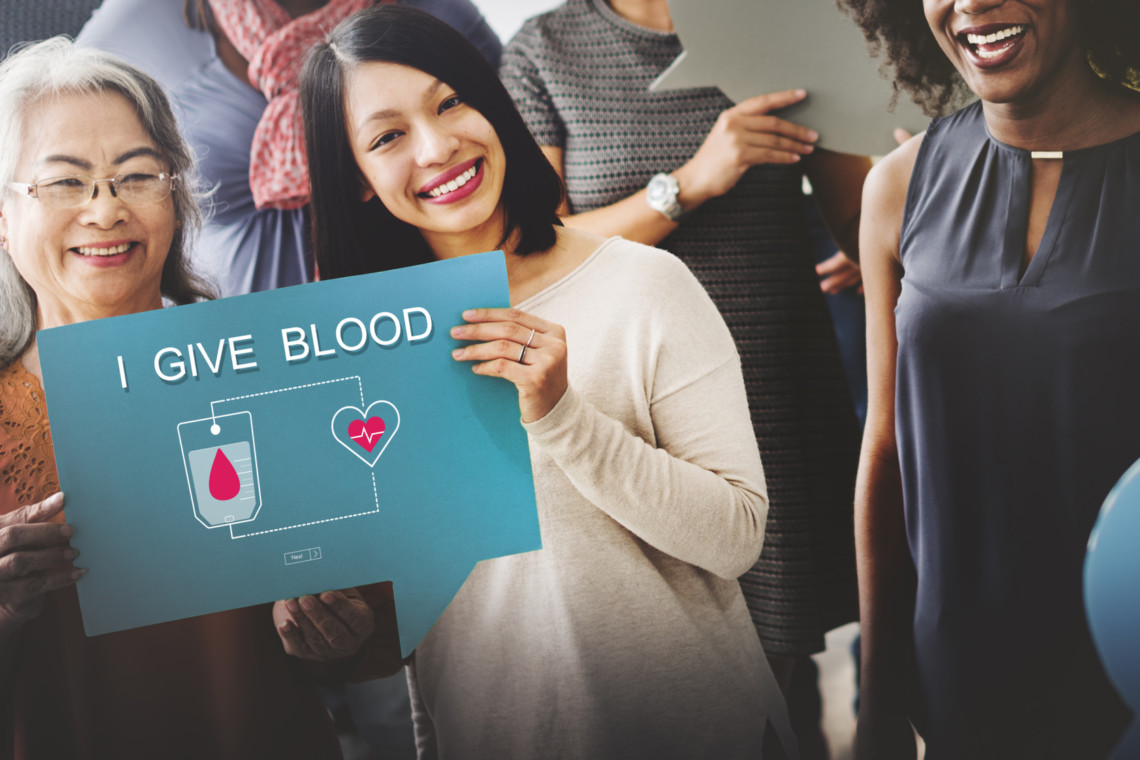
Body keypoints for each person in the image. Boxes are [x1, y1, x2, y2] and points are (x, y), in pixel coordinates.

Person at [301, 5, 797, 758]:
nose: (437, 147)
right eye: (388, 136)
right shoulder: (359, 353)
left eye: (450, 102)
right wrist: (328, 621)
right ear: (358, 180)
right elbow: (419, 620)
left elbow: (736, 539)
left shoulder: (644, 284)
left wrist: (564, 416)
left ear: (493, 107)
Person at [0, 38, 398, 758]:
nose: (105, 209)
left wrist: (329, 637)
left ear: (175, 195)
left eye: (136, 176)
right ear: (2, 215)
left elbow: (365, 644)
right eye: (64, 182)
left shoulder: (269, 374)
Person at [499, 0, 868, 698]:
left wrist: (893, 214)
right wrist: (690, 183)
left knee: (770, 678)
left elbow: (861, 224)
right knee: (658, 672)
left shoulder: (786, 24)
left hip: (771, 394)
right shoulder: (541, 50)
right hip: (624, 409)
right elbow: (534, 243)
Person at [841, 0, 1140, 757]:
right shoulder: (896, 187)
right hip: (958, 678)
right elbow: (885, 447)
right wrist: (876, 699)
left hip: (1123, 674)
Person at [76, 0, 502, 297]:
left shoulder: (440, 14)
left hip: (414, 320)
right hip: (223, 349)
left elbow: (517, 156)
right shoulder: (133, 30)